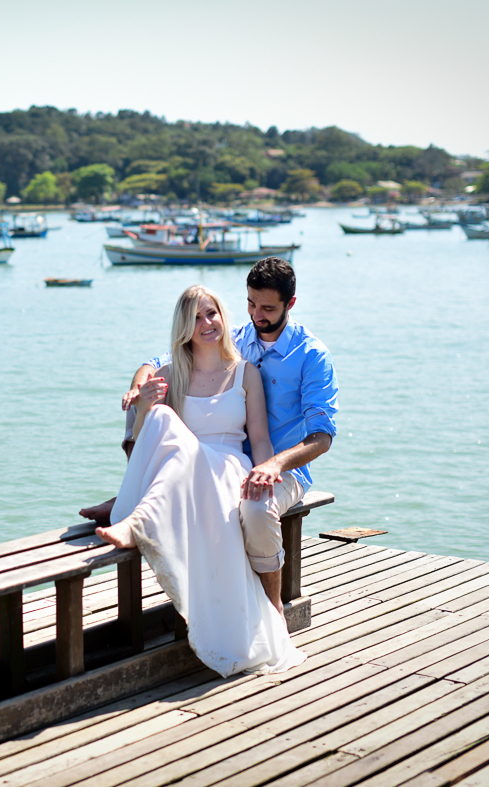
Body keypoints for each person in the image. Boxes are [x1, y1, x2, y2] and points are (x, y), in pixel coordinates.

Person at [83, 256, 339, 621]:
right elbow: (160, 359)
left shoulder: (312, 356)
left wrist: (272, 464)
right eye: (250, 303)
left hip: (279, 468)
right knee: (151, 403)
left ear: (290, 305)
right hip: (212, 463)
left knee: (255, 509)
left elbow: (322, 437)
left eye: (267, 308)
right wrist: (138, 385)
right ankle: (136, 489)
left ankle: (272, 605)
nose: (256, 314)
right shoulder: (234, 337)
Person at [95, 284, 305, 677]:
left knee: (180, 446)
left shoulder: (246, 373)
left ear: (224, 318)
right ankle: (135, 519)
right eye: (195, 317)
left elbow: (258, 437)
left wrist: (265, 478)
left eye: (212, 313)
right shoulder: (170, 373)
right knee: (161, 420)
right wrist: (143, 405)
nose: (206, 323)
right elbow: (146, 443)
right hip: (186, 466)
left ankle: (134, 521)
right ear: (184, 327)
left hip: (227, 467)